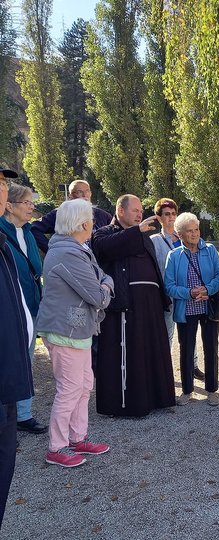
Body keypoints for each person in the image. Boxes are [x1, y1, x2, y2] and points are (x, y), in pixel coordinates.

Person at [36, 199, 114, 468]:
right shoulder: (67, 253)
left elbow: (102, 276)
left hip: (78, 330)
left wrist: (104, 283)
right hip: (65, 330)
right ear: (83, 223)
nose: (94, 224)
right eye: (91, 220)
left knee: (83, 386)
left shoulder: (77, 248)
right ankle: (56, 447)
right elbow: (97, 294)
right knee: (69, 389)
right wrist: (105, 288)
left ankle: (76, 438)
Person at [92, 195, 175, 417]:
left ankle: (156, 398)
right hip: (125, 305)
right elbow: (104, 248)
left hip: (149, 303)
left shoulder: (144, 235)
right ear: (120, 210)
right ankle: (129, 404)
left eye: (141, 210)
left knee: (152, 351)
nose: (140, 214)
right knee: (131, 352)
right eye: (135, 210)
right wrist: (135, 232)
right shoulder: (104, 232)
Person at [0, 167, 34, 529]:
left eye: (4, 184)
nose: (3, 191)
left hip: (8, 378)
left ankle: (22, 411)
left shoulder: (10, 240)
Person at [164, 212, 219, 406]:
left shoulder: (210, 250)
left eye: (196, 229)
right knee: (186, 350)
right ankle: (187, 391)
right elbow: (169, 286)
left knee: (211, 348)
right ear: (180, 234)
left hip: (208, 306)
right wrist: (189, 292)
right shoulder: (174, 256)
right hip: (186, 309)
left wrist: (209, 289)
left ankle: (212, 390)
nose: (194, 234)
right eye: (189, 231)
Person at [0, 183, 46, 434]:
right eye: (26, 203)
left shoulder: (27, 231)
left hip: (31, 305)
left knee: (26, 362)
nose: (31, 207)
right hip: (10, 309)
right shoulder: (1, 232)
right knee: (7, 363)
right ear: (9, 205)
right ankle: (6, 421)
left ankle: (23, 415)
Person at [150, 198, 204, 380]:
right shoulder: (155, 241)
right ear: (159, 218)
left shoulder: (187, 237)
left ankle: (193, 365)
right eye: (166, 214)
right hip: (167, 296)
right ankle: (165, 370)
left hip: (189, 295)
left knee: (190, 334)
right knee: (167, 334)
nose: (171, 217)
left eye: (173, 213)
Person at [31, 179, 112, 254]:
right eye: (79, 192)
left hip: (97, 265)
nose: (84, 195)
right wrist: (51, 249)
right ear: (70, 196)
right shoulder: (60, 213)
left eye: (87, 191)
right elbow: (34, 228)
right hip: (70, 260)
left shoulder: (102, 215)